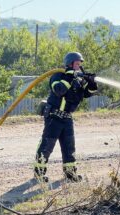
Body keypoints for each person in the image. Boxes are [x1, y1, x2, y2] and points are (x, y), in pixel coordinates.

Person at [34, 52, 98, 183]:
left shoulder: (79, 80)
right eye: (77, 64)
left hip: (67, 118)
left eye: (80, 65)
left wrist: (92, 84)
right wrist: (69, 77)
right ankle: (39, 174)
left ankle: (70, 174)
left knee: (69, 148)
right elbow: (59, 90)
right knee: (47, 146)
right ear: (70, 63)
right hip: (54, 116)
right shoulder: (58, 76)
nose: (79, 67)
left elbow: (87, 94)